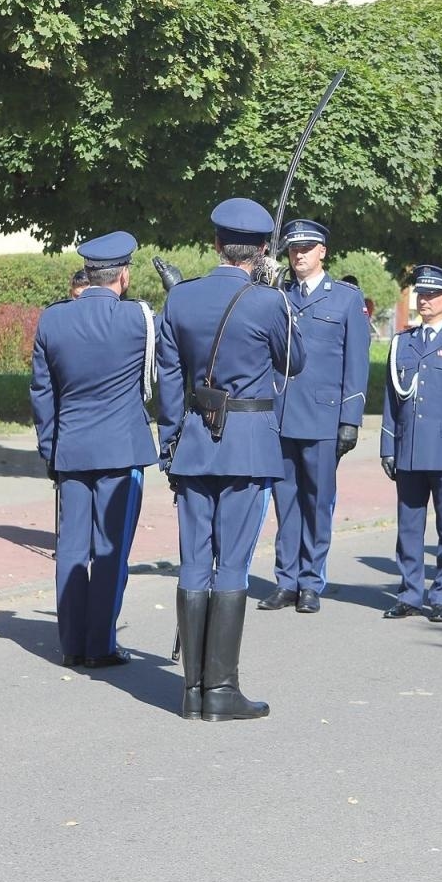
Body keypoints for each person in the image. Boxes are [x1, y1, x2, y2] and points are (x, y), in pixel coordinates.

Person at [156, 198, 302, 721]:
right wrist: (277, 293)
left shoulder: (182, 299)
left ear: (216, 244)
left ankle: (191, 692)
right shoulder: (267, 301)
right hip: (247, 443)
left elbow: (168, 382)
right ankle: (221, 690)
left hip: (193, 441)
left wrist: (171, 441)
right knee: (233, 563)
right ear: (262, 249)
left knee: (195, 561)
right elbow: (294, 361)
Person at [31, 230, 157, 668]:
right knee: (109, 550)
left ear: (88, 273)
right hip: (120, 451)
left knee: (70, 548)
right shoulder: (138, 318)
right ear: (122, 276)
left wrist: (50, 448)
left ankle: (71, 644)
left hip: (71, 447)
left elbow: (42, 393)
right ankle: (99, 644)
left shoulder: (53, 319)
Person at [259, 219, 367, 615]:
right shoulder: (277, 295)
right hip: (282, 412)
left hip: (323, 417)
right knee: (284, 501)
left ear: (323, 251)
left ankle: (310, 581)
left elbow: (356, 363)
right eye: (292, 249)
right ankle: (286, 580)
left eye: (306, 248)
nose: (298, 254)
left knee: (317, 502)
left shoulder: (345, 299)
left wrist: (350, 418)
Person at [380, 265, 442, 624]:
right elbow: (392, 401)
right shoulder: (401, 343)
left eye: (432, 295)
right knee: (408, 526)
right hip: (408, 448)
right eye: (421, 294)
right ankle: (409, 593)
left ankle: (441, 596)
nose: (425, 301)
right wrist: (387, 448)